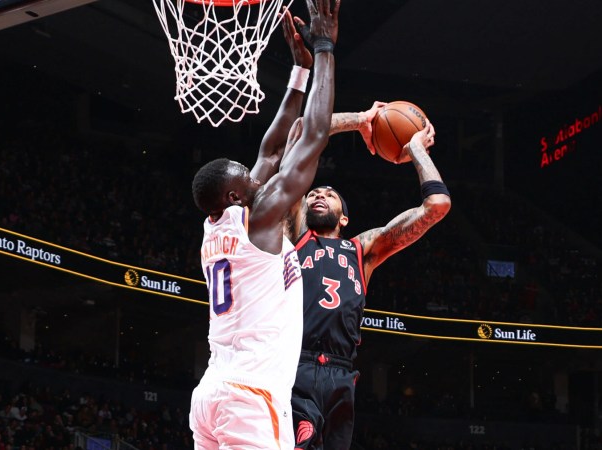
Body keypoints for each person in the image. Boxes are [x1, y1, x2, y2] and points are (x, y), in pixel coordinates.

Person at [188, 0, 340, 448]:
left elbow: (271, 151)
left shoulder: (219, 225)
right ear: (235, 197)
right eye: (249, 180)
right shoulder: (260, 219)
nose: (259, 179)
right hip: (250, 396)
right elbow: (313, 136)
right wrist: (325, 47)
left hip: (213, 393)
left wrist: (299, 72)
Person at [287, 116, 451, 449]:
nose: (318, 195)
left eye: (329, 194)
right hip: (293, 365)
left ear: (344, 217)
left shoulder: (362, 251)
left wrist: (416, 150)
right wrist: (360, 120)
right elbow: (300, 132)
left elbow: (437, 205)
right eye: (312, 193)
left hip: (341, 374)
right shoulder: (293, 239)